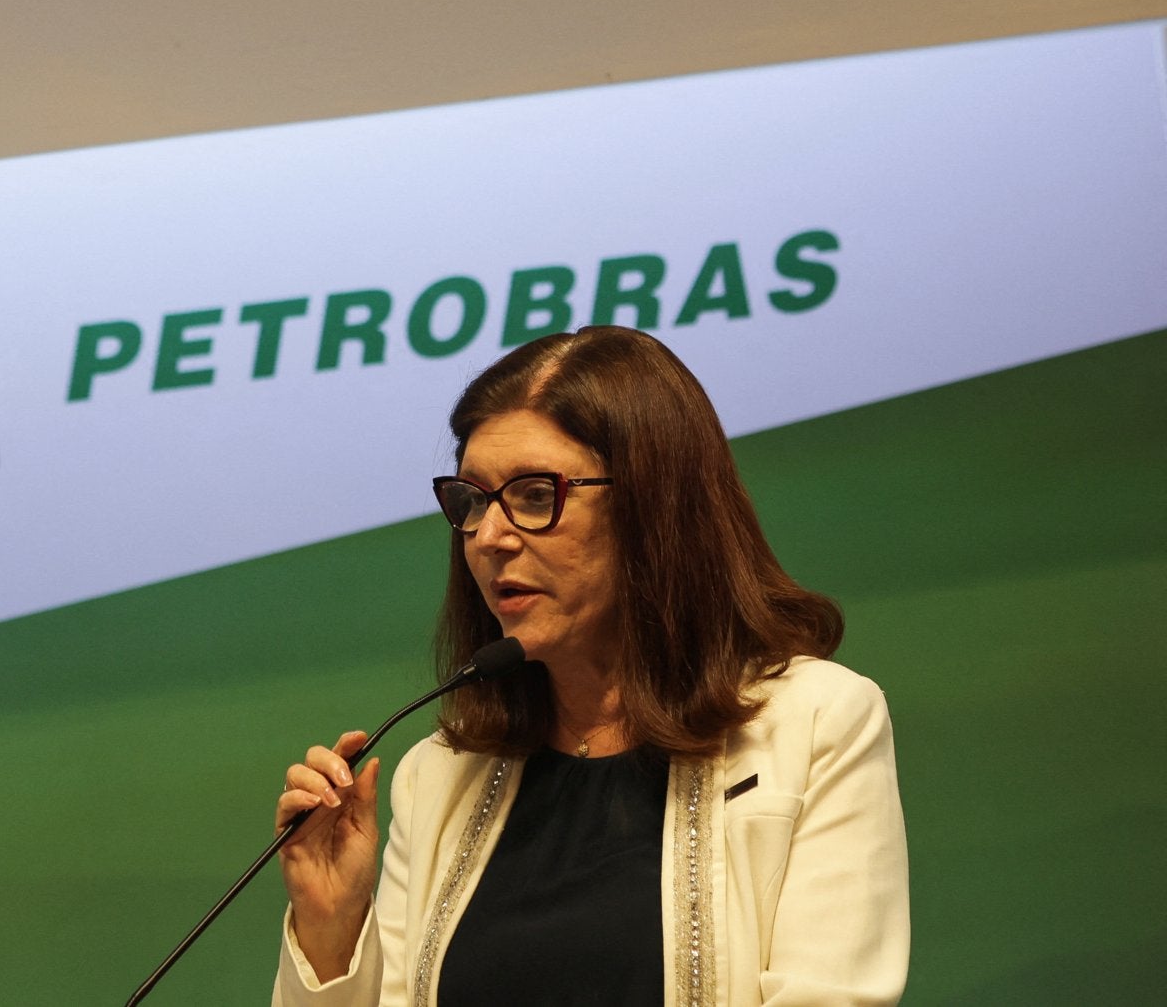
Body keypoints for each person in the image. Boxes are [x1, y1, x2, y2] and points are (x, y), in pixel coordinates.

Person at [272, 326, 907, 1006]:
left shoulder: (816, 724)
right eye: (473, 500)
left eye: (534, 495)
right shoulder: (439, 774)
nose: (489, 536)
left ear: (652, 506)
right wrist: (331, 928)